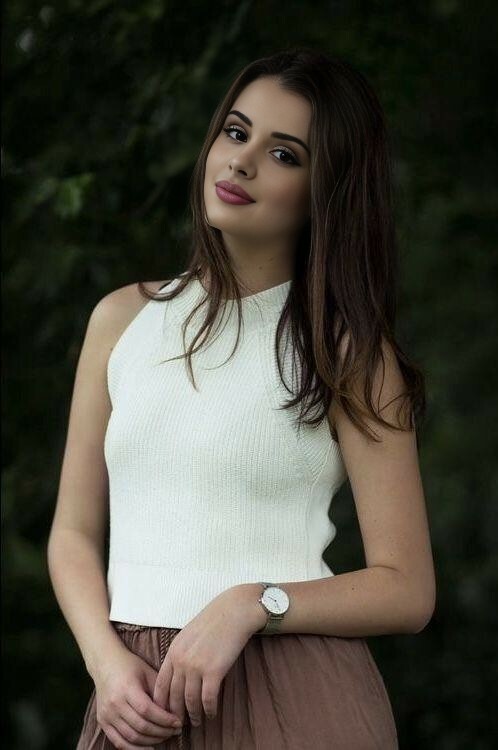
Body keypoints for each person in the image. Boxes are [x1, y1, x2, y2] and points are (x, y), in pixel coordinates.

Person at [47, 47, 436, 749]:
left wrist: (255, 603)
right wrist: (105, 664)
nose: (241, 162)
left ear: (326, 190)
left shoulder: (347, 353)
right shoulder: (121, 321)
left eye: (284, 154)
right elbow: (73, 533)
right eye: (235, 132)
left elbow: (407, 588)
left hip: (295, 694)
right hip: (134, 700)